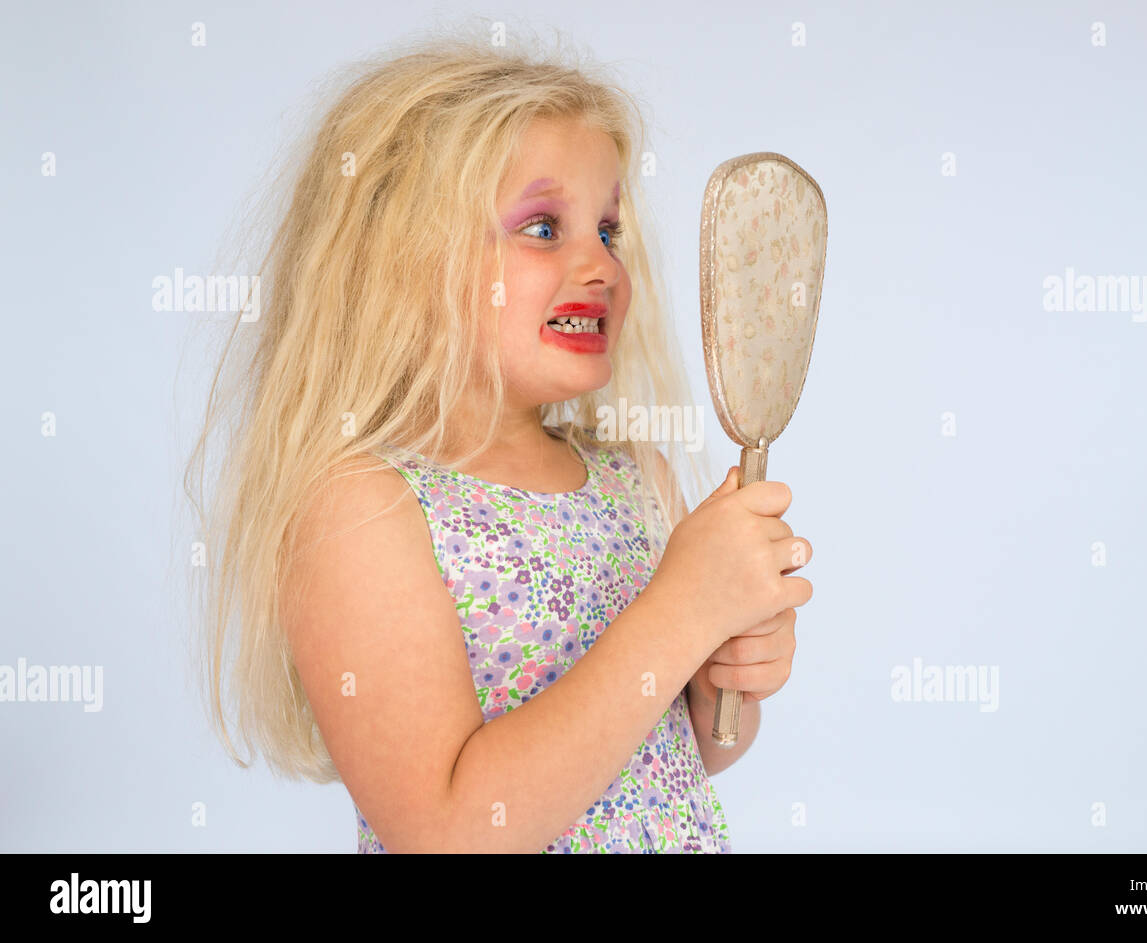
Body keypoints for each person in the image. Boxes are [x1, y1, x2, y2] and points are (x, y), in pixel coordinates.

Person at [183, 28, 813, 854]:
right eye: (545, 228)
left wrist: (730, 679)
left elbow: (678, 754)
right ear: (403, 262)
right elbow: (447, 829)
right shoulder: (361, 510)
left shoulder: (638, 481)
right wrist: (679, 613)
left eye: (609, 229)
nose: (602, 265)